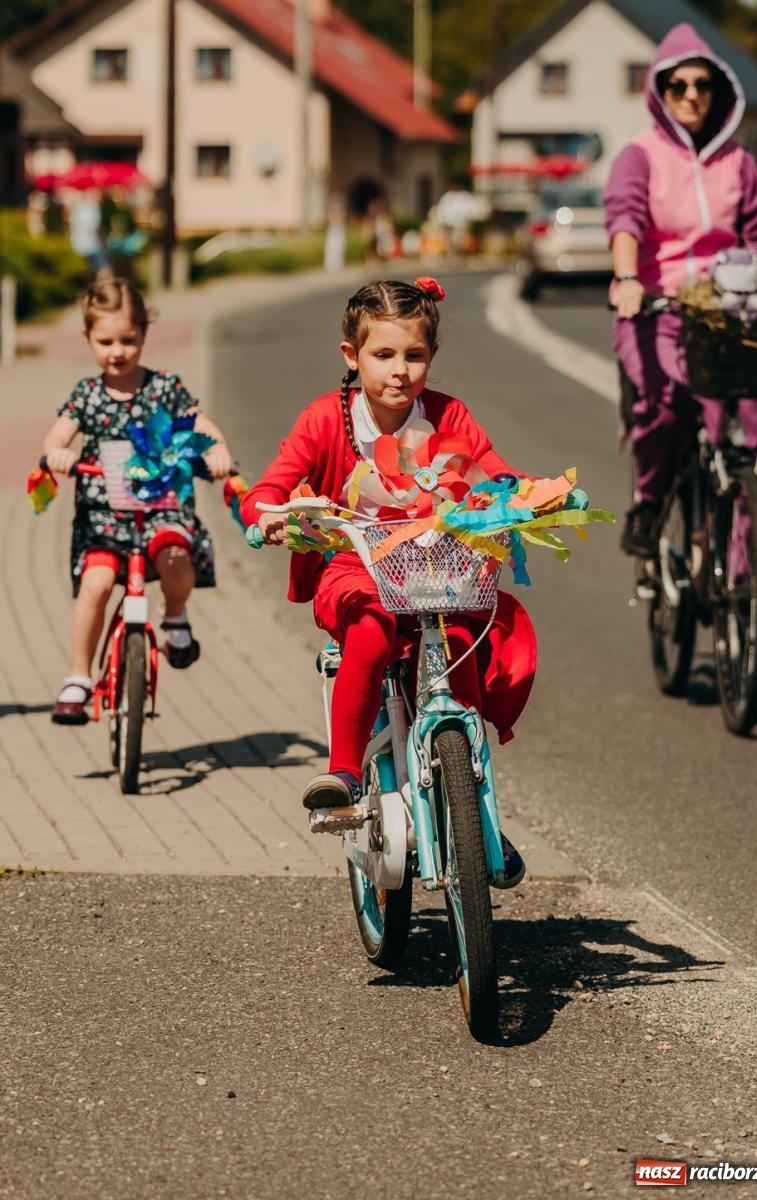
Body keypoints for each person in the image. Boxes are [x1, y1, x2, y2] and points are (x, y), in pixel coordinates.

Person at [239, 278, 538, 888]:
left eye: (415, 355)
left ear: (431, 356)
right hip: (355, 567)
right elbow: (271, 486)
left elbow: (494, 470)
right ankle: (346, 771)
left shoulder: (450, 415)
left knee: (466, 642)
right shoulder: (326, 420)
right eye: (384, 355)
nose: (400, 371)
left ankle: (472, 812)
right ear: (352, 356)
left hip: (436, 566)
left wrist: (519, 497)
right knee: (370, 635)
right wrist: (267, 514)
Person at [603, 23, 757, 558]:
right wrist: (628, 280)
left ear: (719, 91)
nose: (692, 96)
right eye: (679, 85)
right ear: (660, 91)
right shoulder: (640, 155)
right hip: (656, 304)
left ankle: (741, 594)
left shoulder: (738, 160)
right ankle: (650, 501)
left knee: (741, 447)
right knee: (666, 406)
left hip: (726, 307)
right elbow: (624, 220)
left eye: (703, 85)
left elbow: (755, 237)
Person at [43, 278, 233, 724]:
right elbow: (58, 434)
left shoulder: (164, 388)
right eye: (105, 341)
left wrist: (217, 449)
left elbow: (200, 425)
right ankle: (78, 677)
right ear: (88, 339)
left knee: (175, 555)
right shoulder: (87, 396)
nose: (117, 351)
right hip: (104, 513)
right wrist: (59, 453)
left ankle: (176, 616)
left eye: (128, 339)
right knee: (95, 584)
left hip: (160, 505)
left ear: (144, 335)